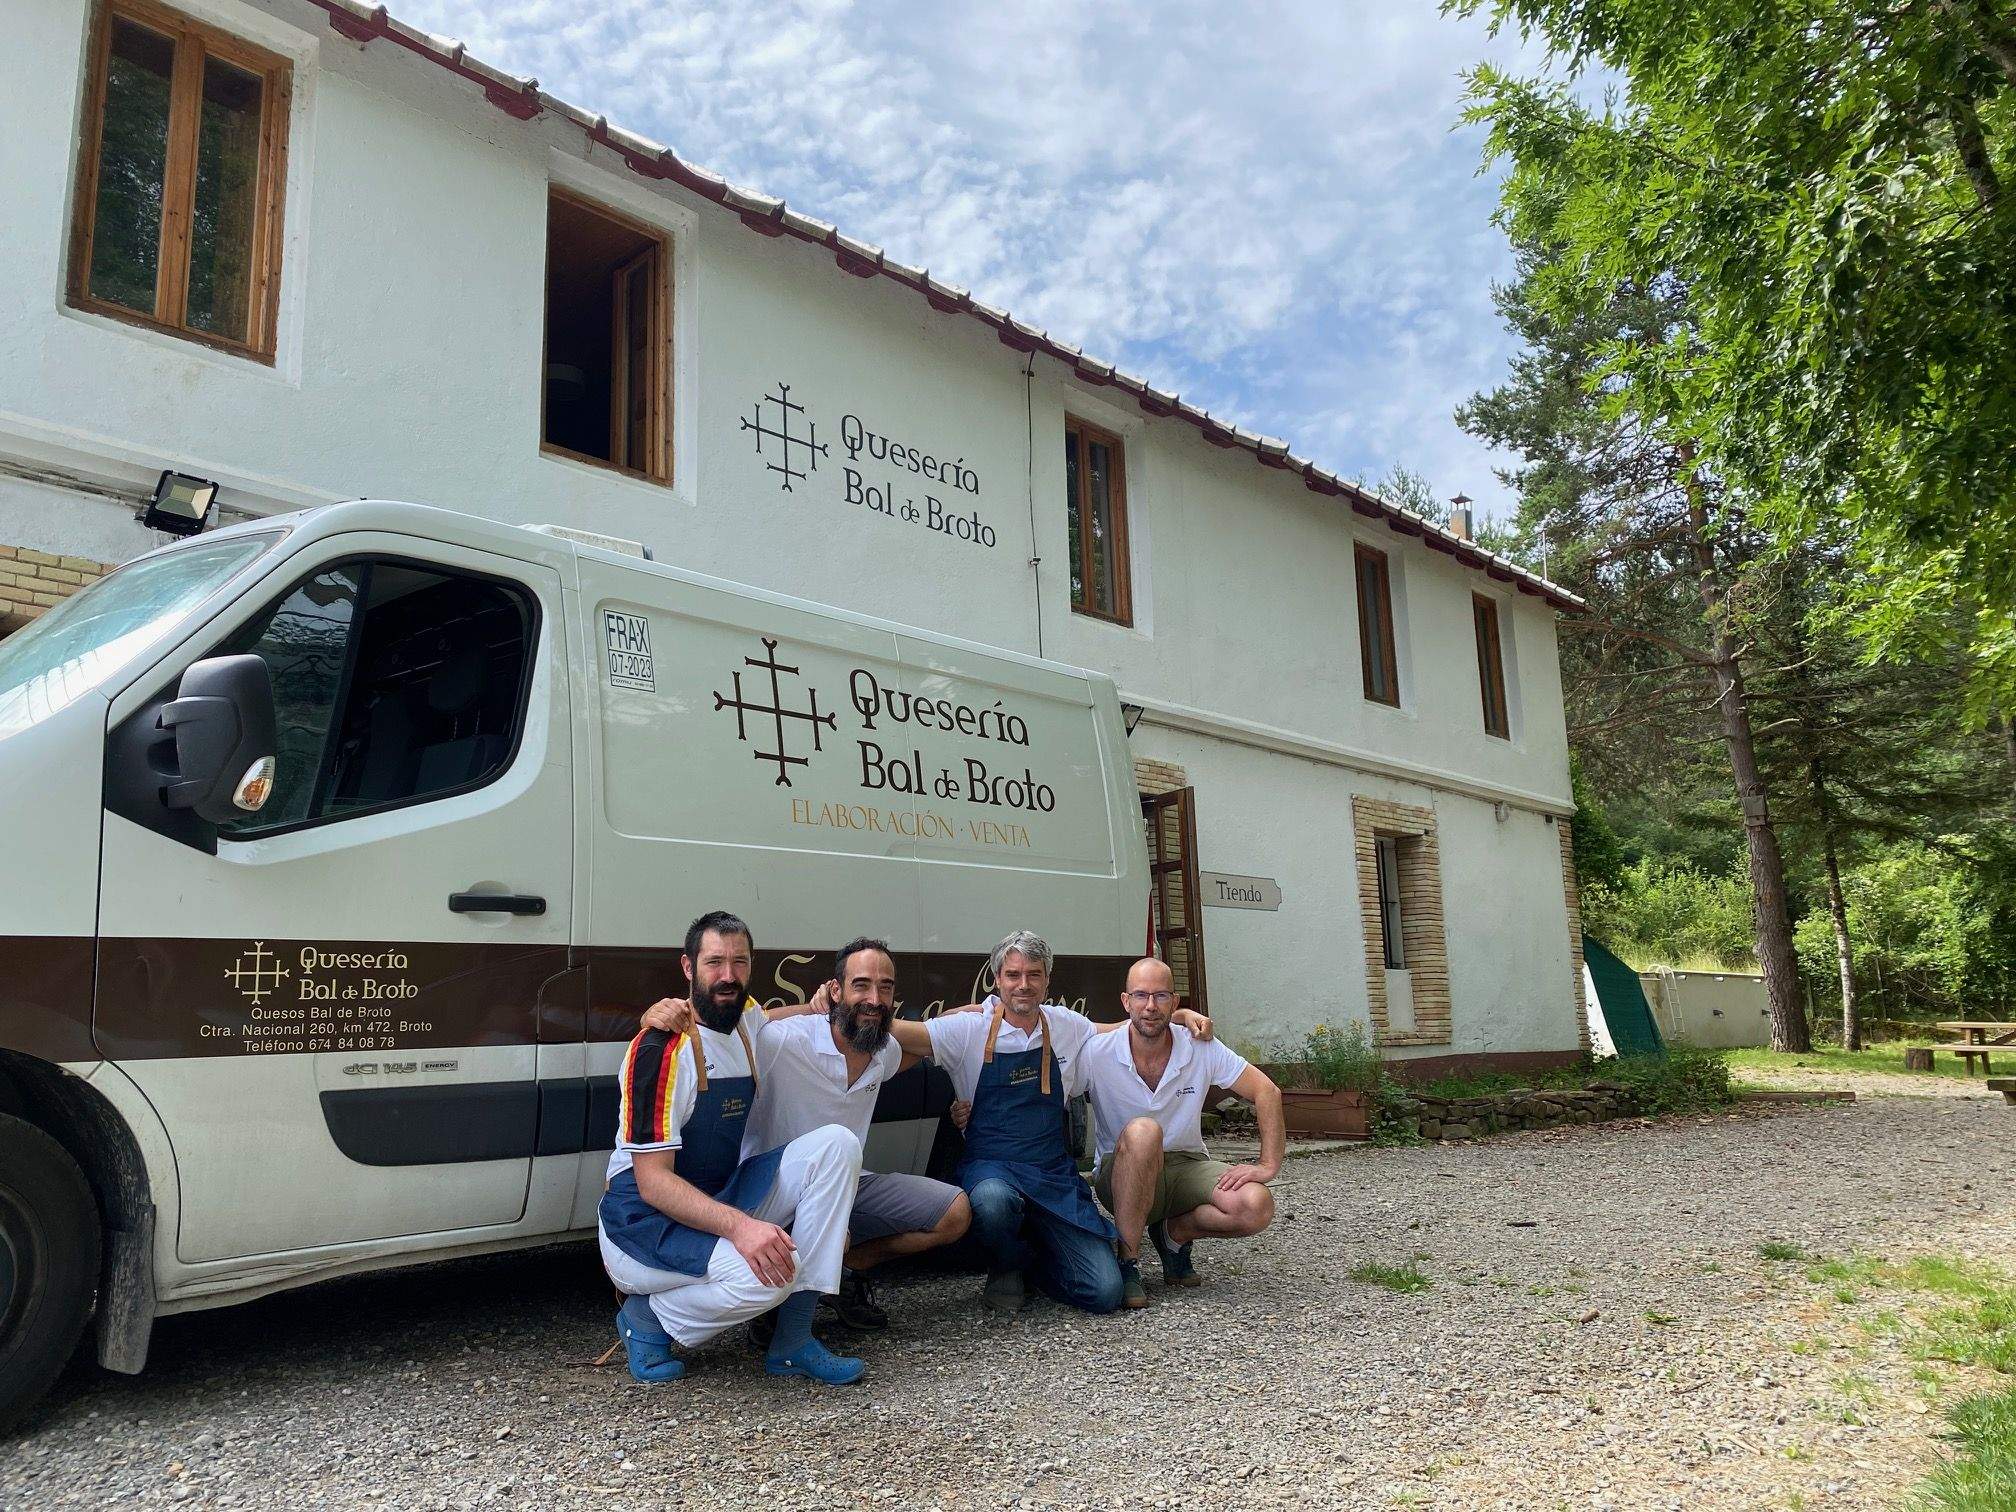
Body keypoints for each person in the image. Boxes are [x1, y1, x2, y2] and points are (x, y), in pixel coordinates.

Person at [644, 936, 971, 1333]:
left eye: (885, 987)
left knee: (955, 1214)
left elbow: (932, 1041)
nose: (874, 998)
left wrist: (969, 1018)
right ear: (836, 991)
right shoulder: (786, 1042)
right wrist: (664, 1013)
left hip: (849, 1181)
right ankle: (781, 1315)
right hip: (774, 1189)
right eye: (861, 985)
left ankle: (847, 1271)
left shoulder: (882, 1051)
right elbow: (735, 1023)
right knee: (839, 1234)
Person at [598, 911, 867, 1386]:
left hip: (718, 1194)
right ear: (687, 968)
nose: (728, 976)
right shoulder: (662, 1051)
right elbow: (652, 1182)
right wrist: (745, 1229)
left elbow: (766, 1018)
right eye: (714, 962)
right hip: (644, 1224)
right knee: (776, 1273)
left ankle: (793, 1341)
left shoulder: (744, 1019)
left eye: (739, 962)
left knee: (837, 1144)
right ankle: (646, 1320)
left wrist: (811, 1008)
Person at [885, 929, 1211, 1315]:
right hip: (993, 1168)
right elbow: (899, 1031)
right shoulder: (968, 1029)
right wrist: (837, 1007)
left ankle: (1037, 1261)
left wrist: (1177, 1015)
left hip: (1052, 1172)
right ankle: (1007, 1263)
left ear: (1047, 980)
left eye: (1034, 975)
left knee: (1105, 1293)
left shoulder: (1066, 1025)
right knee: (992, 1203)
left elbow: (1125, 1028)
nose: (1023, 985)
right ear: (997, 979)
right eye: (1013, 975)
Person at [1081, 956, 1285, 1306]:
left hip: (1185, 1165)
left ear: (1175, 1002)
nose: (1150, 1006)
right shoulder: (1096, 1052)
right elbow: (1047, 1088)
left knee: (1256, 1205)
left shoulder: (1199, 1046)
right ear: (1125, 1001)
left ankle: (1174, 1234)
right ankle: (1128, 1260)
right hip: (1122, 1171)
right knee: (1144, 1131)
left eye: (1161, 996)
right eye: (1141, 996)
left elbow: (1267, 1091)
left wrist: (1268, 1165)